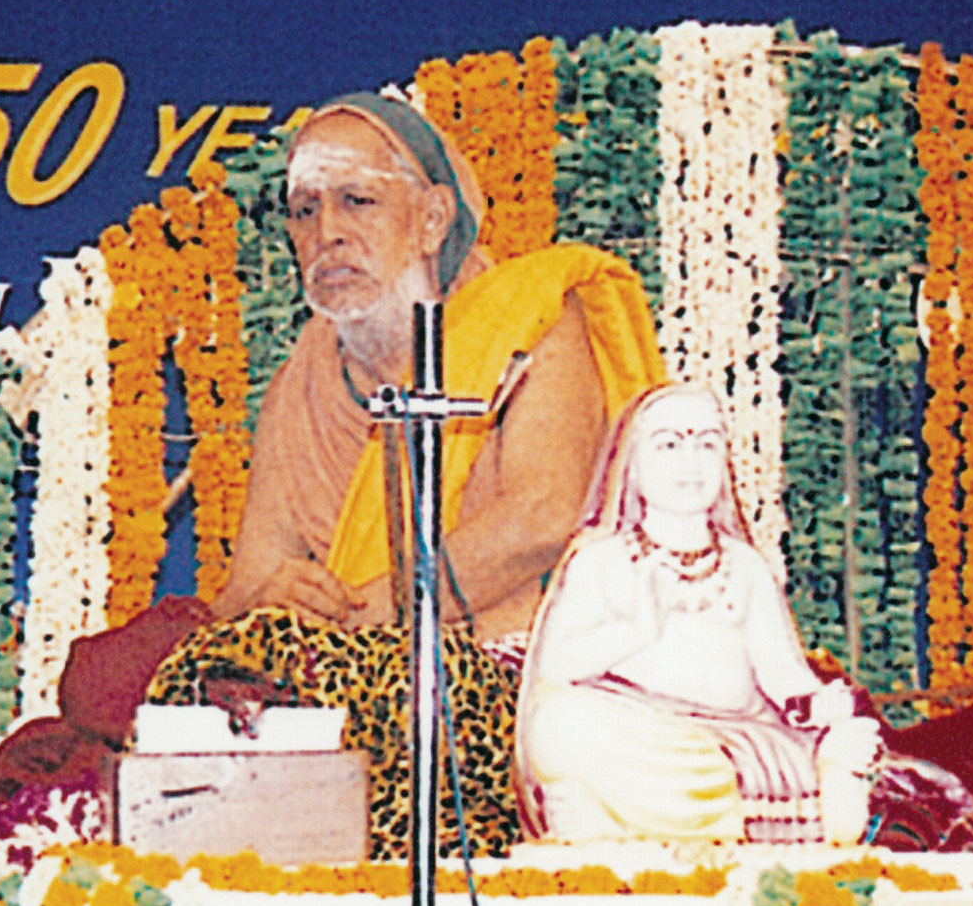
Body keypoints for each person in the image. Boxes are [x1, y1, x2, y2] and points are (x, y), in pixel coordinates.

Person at [214, 90, 663, 643]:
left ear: (432, 220)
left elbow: (544, 517)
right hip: (354, 671)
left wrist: (360, 619)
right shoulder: (300, 389)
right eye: (305, 210)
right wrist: (269, 605)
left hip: (527, 666)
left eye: (357, 200)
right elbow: (249, 584)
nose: (326, 232)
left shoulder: (529, 318)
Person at [514, 384, 878, 844]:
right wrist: (637, 629)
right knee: (559, 722)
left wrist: (815, 705)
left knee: (843, 759)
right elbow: (555, 667)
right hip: (639, 736)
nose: (691, 463)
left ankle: (628, 820)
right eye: (669, 445)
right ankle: (619, 820)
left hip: (731, 746)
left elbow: (781, 671)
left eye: (707, 444)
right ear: (632, 467)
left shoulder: (744, 565)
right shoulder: (600, 560)